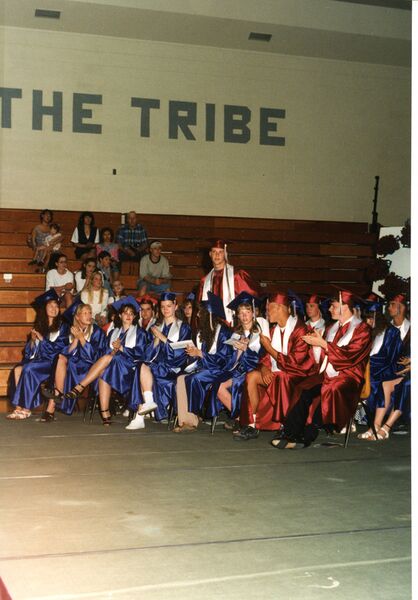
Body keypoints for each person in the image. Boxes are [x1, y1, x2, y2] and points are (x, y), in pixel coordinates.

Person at [234, 292, 315, 441]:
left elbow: (294, 363)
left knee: (281, 376)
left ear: (279, 308)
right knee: (252, 376)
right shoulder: (273, 330)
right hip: (279, 372)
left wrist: (269, 347)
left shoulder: (301, 330)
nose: (266, 313)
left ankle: (286, 426)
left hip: (300, 374)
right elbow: (265, 358)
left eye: (268, 309)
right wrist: (264, 368)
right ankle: (251, 425)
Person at [64, 297, 149, 426]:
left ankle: (80, 386)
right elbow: (102, 354)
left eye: (131, 314)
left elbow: (141, 354)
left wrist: (122, 349)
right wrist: (113, 352)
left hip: (130, 370)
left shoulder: (140, 333)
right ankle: (105, 413)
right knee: (104, 370)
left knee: (108, 361)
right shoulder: (113, 333)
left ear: (135, 316)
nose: (128, 316)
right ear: (120, 315)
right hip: (113, 368)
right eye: (125, 313)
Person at [300, 289, 372, 439]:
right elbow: (321, 358)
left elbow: (349, 356)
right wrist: (316, 345)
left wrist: (323, 344)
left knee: (333, 387)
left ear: (345, 307)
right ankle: (298, 425)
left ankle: (327, 424)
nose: (329, 309)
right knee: (304, 385)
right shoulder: (330, 328)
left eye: (333, 306)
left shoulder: (362, 329)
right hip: (329, 373)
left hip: (350, 376)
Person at [127, 292, 191, 429]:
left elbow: (180, 355)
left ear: (175, 306)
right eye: (162, 307)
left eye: (169, 306)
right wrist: (156, 341)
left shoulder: (184, 327)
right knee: (141, 366)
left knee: (141, 370)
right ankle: (148, 403)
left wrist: (162, 338)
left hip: (172, 368)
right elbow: (147, 355)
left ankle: (140, 416)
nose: (165, 309)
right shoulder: (157, 326)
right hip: (157, 366)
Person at [173, 292, 232, 432]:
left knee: (193, 379)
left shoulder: (224, 333)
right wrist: (193, 352)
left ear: (209, 315)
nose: (198, 315)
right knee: (181, 378)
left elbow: (223, 360)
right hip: (206, 368)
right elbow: (201, 355)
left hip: (221, 371)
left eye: (201, 312)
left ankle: (193, 418)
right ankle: (185, 420)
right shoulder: (205, 332)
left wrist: (200, 354)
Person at [6, 290, 68, 420]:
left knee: (29, 368)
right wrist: (33, 341)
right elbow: (28, 353)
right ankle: (19, 407)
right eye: (50, 306)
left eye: (56, 306)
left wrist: (42, 339)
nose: (54, 309)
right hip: (39, 360)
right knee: (18, 369)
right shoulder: (39, 325)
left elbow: (59, 349)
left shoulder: (63, 327)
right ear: (44, 309)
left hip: (53, 363)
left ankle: (26, 407)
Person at [40, 300, 107, 421]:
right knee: (61, 358)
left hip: (90, 368)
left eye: (90, 313)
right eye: (85, 313)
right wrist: (76, 339)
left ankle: (52, 405)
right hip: (74, 364)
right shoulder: (71, 331)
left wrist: (82, 339)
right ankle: (58, 394)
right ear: (77, 317)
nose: (89, 315)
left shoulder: (97, 332)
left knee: (65, 366)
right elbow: (67, 352)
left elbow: (96, 357)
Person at [357, 300, 402, 441]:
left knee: (374, 382)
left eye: (371, 318)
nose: (368, 322)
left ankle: (375, 425)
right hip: (371, 368)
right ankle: (368, 423)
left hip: (387, 369)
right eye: (366, 319)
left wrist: (369, 364)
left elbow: (391, 357)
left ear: (378, 317)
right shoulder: (370, 332)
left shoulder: (392, 332)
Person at [198, 239, 259, 324]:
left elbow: (252, 298)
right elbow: (201, 306)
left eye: (220, 252)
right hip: (212, 325)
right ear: (210, 254)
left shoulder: (237, 276)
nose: (217, 255)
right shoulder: (204, 281)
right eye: (214, 252)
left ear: (225, 254)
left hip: (234, 324)